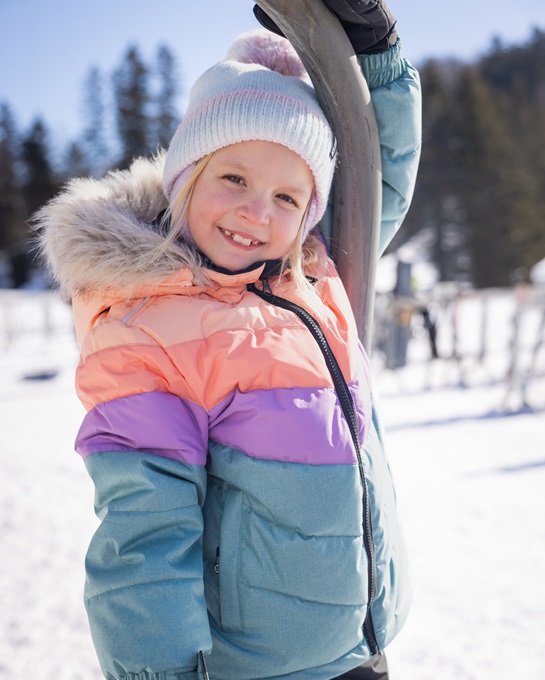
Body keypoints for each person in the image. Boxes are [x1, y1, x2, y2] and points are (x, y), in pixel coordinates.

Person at [35, 1, 421, 678]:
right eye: (234, 178)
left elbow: (374, 177)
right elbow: (147, 537)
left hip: (361, 643)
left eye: (287, 197)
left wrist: (377, 58)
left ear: (309, 214)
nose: (255, 212)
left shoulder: (311, 274)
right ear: (186, 178)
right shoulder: (146, 325)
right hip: (260, 666)